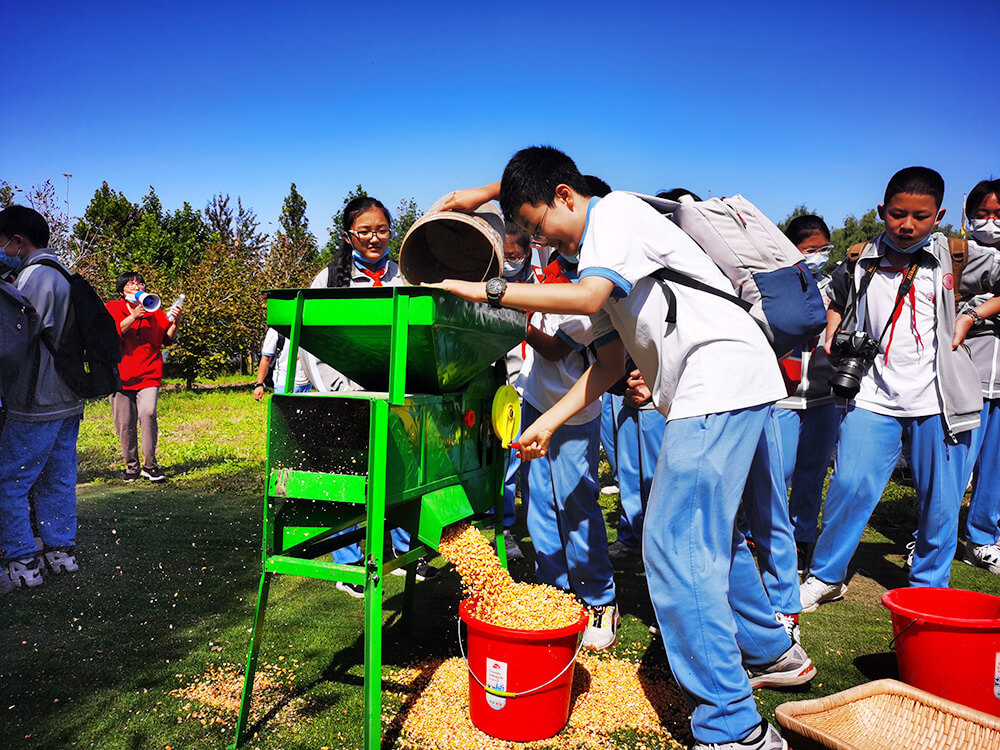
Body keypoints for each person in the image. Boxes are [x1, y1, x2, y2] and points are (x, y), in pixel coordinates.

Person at [432, 146, 813, 750]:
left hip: (717, 380)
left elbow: (582, 300)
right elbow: (608, 361)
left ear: (564, 195)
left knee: (672, 546)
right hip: (719, 382)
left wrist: (488, 291)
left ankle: (731, 726)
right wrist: (550, 422)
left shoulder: (615, 216)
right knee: (704, 534)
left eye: (537, 226)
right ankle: (773, 654)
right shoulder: (600, 250)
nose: (543, 243)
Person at [800, 167, 1000, 612]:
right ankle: (826, 576)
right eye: (897, 214)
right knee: (849, 485)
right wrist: (834, 328)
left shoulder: (959, 255)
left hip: (940, 400)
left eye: (921, 216)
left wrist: (972, 316)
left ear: (940, 215)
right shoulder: (858, 257)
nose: (907, 225)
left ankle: (928, 587)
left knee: (942, 502)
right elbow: (835, 297)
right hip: (872, 394)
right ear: (881, 211)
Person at [308, 195, 438, 596]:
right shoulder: (330, 279)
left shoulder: (405, 276)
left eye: (381, 230)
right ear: (349, 236)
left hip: (398, 392)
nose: (374, 238)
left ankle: (405, 553)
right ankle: (349, 564)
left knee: (403, 472)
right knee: (351, 475)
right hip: (346, 394)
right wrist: (335, 392)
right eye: (364, 232)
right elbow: (313, 343)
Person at [519, 238, 620, 650]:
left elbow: (553, 345)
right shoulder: (544, 278)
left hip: (574, 413)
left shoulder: (588, 293)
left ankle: (599, 598)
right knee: (539, 503)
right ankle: (554, 590)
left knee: (576, 503)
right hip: (534, 403)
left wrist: (515, 319)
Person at [0, 205, 83, 589]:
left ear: (18, 241)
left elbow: (16, 341)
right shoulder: (63, 273)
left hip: (36, 399)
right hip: (68, 396)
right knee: (58, 477)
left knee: (11, 481)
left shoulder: (32, 278)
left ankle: (22, 561)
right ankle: (60, 553)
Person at [773, 216, 840, 576]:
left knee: (812, 474)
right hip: (783, 398)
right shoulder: (779, 284)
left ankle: (802, 540)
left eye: (824, 248)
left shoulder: (838, 284)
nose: (819, 256)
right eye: (810, 250)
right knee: (776, 473)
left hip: (822, 397)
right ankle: (765, 536)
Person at [956, 180, 1000, 574]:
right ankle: (931, 534)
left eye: (998, 215)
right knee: (955, 461)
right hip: (968, 376)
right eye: (982, 214)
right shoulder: (962, 254)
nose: (990, 222)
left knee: (996, 467)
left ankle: (983, 538)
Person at [105, 273, 180, 482]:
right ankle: (131, 466)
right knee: (124, 423)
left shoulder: (154, 310)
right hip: (119, 375)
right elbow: (111, 334)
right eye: (131, 285)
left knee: (148, 414)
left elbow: (167, 339)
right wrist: (134, 316)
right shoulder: (112, 308)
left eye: (140, 283)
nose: (137, 287)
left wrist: (175, 321)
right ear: (122, 292)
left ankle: (150, 465)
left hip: (149, 373)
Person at [497, 221, 539, 562]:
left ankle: (542, 528)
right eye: (504, 256)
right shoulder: (494, 287)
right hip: (508, 387)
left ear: (527, 252)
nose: (510, 261)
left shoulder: (541, 280)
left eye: (515, 255)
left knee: (536, 464)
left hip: (539, 383)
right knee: (508, 462)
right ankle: (505, 528)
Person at [253, 328, 311, 399]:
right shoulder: (276, 331)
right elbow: (266, 358)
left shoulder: (309, 328)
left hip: (306, 385)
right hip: (283, 384)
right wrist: (259, 384)